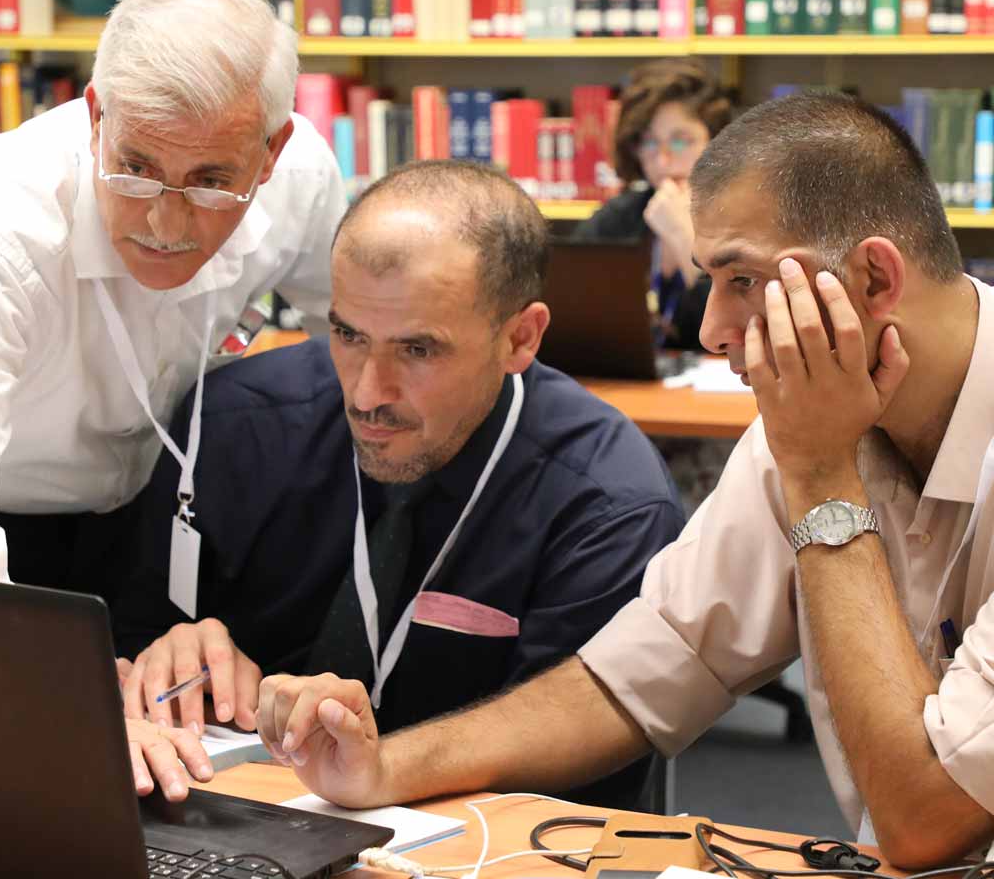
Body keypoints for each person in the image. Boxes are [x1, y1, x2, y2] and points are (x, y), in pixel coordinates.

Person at [256, 92, 994, 868]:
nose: (710, 330)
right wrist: (386, 767)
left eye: (741, 279)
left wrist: (821, 478)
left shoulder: (812, 441)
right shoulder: (816, 421)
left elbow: (926, 822)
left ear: (875, 280)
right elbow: (632, 680)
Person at [116, 160, 684, 805]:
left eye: (418, 350)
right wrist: (166, 664)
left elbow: (583, 789)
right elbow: (122, 656)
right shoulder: (231, 424)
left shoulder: (607, 503)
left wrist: (386, 769)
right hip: (230, 822)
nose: (366, 393)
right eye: (348, 335)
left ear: (520, 338)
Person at [0, 0, 346, 598]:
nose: (165, 226)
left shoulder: (301, 178)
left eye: (210, 181)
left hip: (175, 502)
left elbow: (363, 343)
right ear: (95, 119)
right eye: (137, 170)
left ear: (271, 152)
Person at [574, 58, 732, 351]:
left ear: (717, 142)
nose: (662, 161)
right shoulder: (621, 216)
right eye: (648, 142)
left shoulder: (743, 221)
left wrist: (685, 239)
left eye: (680, 141)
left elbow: (732, 333)